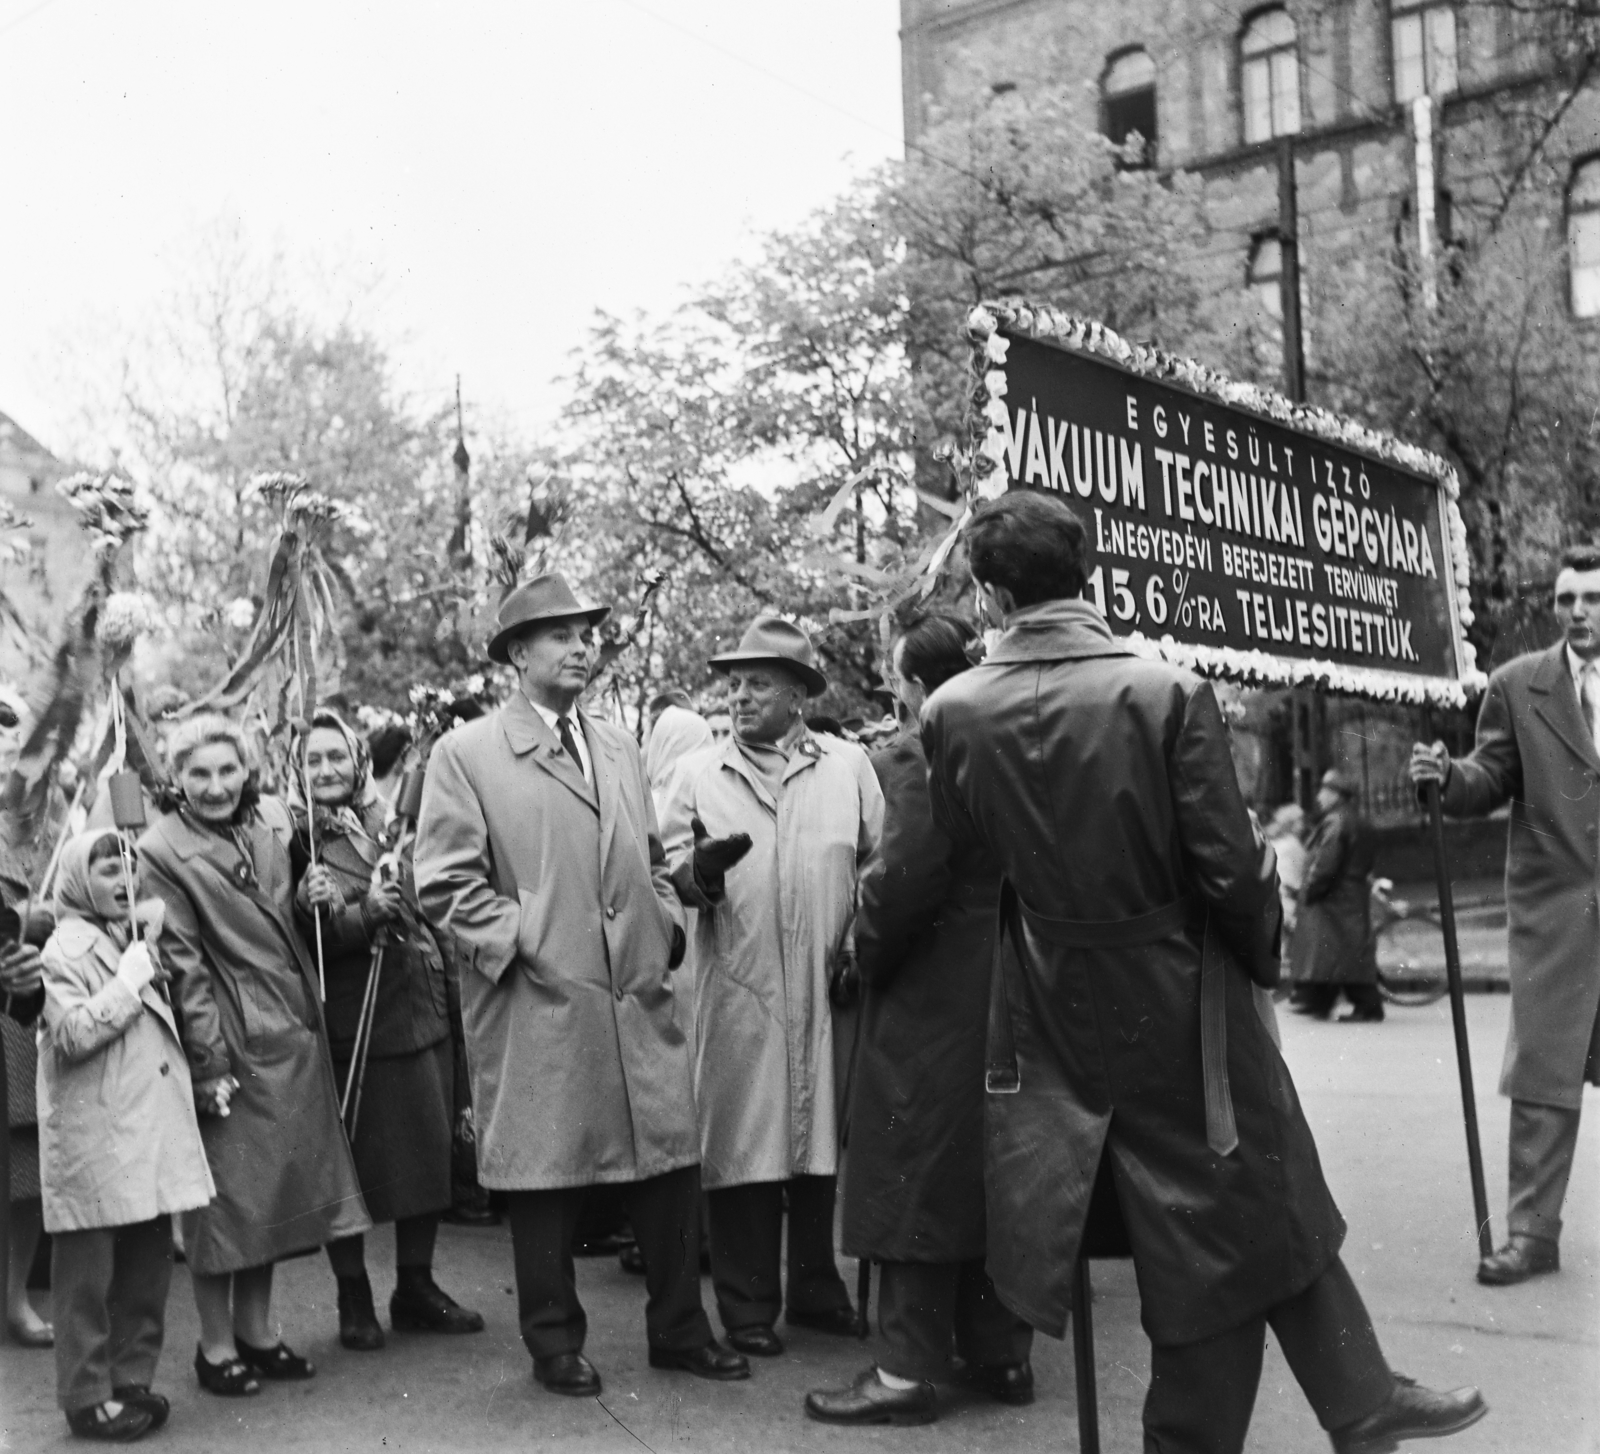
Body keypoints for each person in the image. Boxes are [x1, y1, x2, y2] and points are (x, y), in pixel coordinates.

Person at [921, 491, 1484, 1454]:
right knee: (1220, 1216)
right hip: (1178, 990)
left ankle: (1360, 1396)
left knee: (1252, 1199)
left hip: (1053, 997)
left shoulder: (951, 710)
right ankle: (1292, 1416)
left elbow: (969, 857)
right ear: (1086, 573)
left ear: (995, 592)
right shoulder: (1163, 691)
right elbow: (1230, 867)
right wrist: (1266, 951)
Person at [414, 573, 746, 1397]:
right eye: (560, 635)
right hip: (540, 1002)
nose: (580, 646)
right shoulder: (466, 755)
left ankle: (680, 1330)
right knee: (546, 1177)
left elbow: (648, 857)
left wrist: (666, 923)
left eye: (587, 633)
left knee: (669, 1165)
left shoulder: (620, 744)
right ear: (517, 655)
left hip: (636, 995)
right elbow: (444, 883)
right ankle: (554, 1344)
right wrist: (527, 939)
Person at [807, 614, 1032, 1427]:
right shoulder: (1019, 742)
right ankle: (1000, 1353)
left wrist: (863, 953)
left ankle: (905, 1371)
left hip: (930, 995)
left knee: (912, 1168)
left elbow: (899, 883)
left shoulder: (923, 750)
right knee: (988, 1170)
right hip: (1012, 984)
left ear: (910, 684)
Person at [660, 615, 883, 1358]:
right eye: (734, 684)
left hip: (827, 984)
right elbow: (661, 876)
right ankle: (748, 1304)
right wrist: (700, 876)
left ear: (798, 694)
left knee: (821, 1141)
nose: (740, 697)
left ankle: (819, 1289)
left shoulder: (849, 766)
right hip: (737, 983)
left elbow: (880, 862)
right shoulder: (698, 774)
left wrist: (859, 934)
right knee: (743, 1142)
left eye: (759, 683)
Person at [139, 714, 370, 1397]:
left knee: (268, 1197)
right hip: (234, 1043)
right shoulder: (161, 851)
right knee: (225, 1204)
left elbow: (282, 916)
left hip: (292, 1032)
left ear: (247, 771)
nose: (214, 786)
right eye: (198, 774)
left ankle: (258, 1331)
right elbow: (183, 967)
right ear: (176, 780)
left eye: (226, 770)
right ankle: (214, 1348)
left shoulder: (268, 823)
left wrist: (306, 899)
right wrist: (209, 1065)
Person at [1409, 541, 1600, 1286]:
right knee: (1543, 1081)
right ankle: (1531, 1234)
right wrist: (1444, 777)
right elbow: (1488, 776)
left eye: (1592, 598)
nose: (1579, 612)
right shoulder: (1519, 686)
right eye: (1566, 599)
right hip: (1557, 916)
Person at [292, 709, 483, 1351]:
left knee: (426, 1150)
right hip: (349, 1020)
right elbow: (297, 938)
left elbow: (436, 904)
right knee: (351, 1162)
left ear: (359, 762)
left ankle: (416, 1286)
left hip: (418, 1004)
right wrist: (350, 916)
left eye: (335, 758)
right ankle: (353, 1294)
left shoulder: (395, 825)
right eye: (312, 760)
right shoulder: (290, 839)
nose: (325, 771)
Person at [39, 830, 213, 1442]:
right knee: (86, 1273)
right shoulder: (64, 948)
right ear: (79, 879)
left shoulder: (133, 940)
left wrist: (142, 955)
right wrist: (126, 983)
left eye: (129, 867)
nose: (121, 880)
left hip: (141, 1127)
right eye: (107, 869)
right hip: (95, 1132)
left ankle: (129, 1377)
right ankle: (86, 1396)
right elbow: (72, 1034)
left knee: (148, 1259)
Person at [1291, 770, 1383, 1023]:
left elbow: (1326, 863)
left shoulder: (1336, 821)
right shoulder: (1359, 820)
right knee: (1342, 951)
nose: (1320, 796)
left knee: (1334, 951)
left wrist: (1311, 890)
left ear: (1336, 795)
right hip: (1351, 895)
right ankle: (1319, 1001)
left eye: (1324, 791)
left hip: (1335, 899)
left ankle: (1365, 1005)